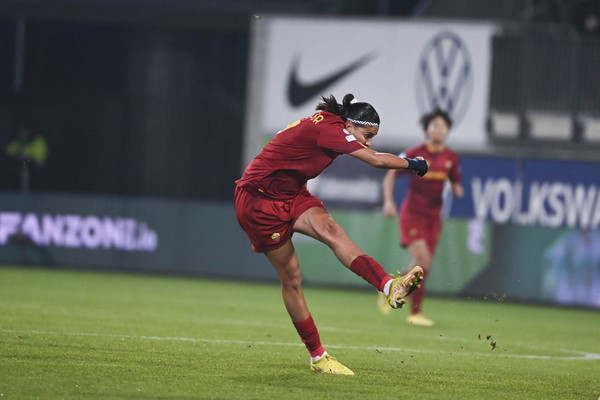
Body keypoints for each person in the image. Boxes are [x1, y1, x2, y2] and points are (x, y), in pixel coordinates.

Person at [234, 93, 428, 375]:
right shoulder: (330, 129)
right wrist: (415, 165)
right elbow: (375, 160)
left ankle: (389, 286)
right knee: (292, 279)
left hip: (291, 192)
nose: (368, 142)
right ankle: (318, 357)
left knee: (333, 230)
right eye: (367, 135)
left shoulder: (333, 126)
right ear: (349, 125)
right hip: (259, 201)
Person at [379, 107, 464, 327]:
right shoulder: (414, 153)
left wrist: (457, 188)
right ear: (427, 129)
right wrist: (388, 201)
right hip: (412, 215)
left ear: (448, 130)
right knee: (422, 261)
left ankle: (391, 289)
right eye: (435, 125)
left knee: (422, 266)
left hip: (434, 218)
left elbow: (455, 179)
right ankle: (412, 311)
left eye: (443, 126)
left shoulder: (451, 158)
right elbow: (391, 174)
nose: (439, 130)